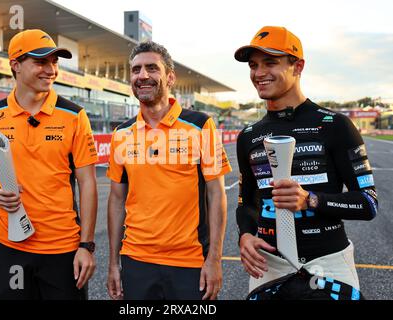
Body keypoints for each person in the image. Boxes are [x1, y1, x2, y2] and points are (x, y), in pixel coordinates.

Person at [234, 26, 377, 300]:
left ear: (298, 66)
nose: (259, 73)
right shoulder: (248, 136)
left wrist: (311, 200)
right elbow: (247, 203)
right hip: (268, 268)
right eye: (253, 65)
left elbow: (368, 202)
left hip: (329, 265)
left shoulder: (335, 125)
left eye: (270, 62)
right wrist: (246, 235)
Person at [0, 29, 98, 300]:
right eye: (40, 62)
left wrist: (86, 245)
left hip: (64, 249)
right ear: (15, 65)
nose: (50, 69)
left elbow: (87, 183)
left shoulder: (75, 116)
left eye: (54, 62)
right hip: (11, 246)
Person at [106, 41, 232, 300]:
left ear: (170, 77)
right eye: (136, 70)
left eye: (152, 68)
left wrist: (215, 259)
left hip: (190, 262)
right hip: (136, 261)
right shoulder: (121, 134)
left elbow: (216, 195)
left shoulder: (200, 125)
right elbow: (117, 200)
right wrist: (112, 264)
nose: (143, 76)